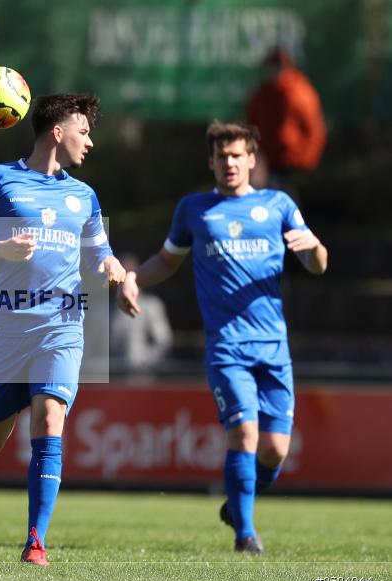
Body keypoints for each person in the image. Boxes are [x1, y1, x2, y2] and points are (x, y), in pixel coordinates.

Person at [116, 121, 328, 554]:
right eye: (221, 157)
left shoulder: (279, 205)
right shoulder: (195, 209)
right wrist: (134, 278)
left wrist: (313, 250)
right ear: (211, 162)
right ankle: (245, 535)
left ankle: (238, 503)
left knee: (274, 449)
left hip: (273, 346)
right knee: (245, 435)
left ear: (252, 160)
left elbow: (317, 263)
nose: (229, 163)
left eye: (237, 156)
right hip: (227, 347)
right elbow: (167, 260)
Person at [0, 94, 126, 567]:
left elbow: (98, 252)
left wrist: (115, 270)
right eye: (83, 131)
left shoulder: (84, 195)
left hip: (62, 327)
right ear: (57, 131)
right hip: (7, 327)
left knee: (49, 420)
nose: (89, 141)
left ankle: (35, 541)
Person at [245, 46, 326, 185]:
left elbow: (315, 130)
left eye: (278, 66)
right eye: (271, 66)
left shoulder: (300, 93)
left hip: (296, 164)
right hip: (270, 163)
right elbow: (251, 127)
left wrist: (306, 160)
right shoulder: (261, 95)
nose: (274, 71)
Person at [109, 253, 172, 372]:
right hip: (113, 381)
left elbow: (163, 342)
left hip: (143, 380)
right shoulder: (105, 311)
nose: (125, 279)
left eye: (129, 273)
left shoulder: (153, 306)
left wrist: (142, 362)